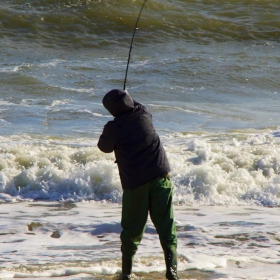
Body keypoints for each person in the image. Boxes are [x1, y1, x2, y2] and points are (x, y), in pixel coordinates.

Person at [97, 89, 179, 280]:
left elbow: (104, 147)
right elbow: (136, 104)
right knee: (167, 229)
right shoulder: (144, 114)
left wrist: (113, 124)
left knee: (131, 232)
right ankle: (172, 273)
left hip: (135, 185)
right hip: (161, 178)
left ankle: (126, 273)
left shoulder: (113, 128)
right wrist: (126, 97)